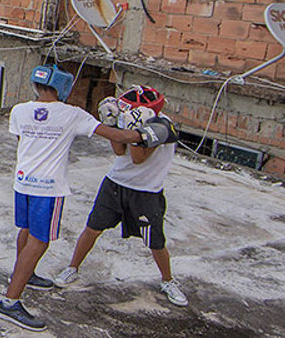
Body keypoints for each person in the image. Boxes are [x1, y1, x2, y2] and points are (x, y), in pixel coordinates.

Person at [0, 65, 163, 332]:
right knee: (39, 243)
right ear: (63, 87)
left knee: (25, 231)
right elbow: (117, 137)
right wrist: (149, 133)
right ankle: (10, 301)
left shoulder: (19, 110)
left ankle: (26, 276)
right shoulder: (72, 115)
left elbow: (21, 138)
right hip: (48, 188)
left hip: (23, 181)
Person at [52, 86, 188, 307]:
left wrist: (135, 131)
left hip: (147, 192)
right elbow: (118, 150)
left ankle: (168, 280)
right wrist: (111, 123)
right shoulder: (130, 117)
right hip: (115, 184)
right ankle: (72, 268)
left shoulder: (163, 127)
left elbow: (138, 158)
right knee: (92, 228)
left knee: (155, 242)